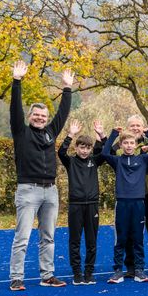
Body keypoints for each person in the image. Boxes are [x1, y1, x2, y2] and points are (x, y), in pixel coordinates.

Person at [8, 61, 73, 291]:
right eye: (36, 115)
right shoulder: (21, 131)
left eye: (43, 116)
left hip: (51, 191)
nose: (40, 118)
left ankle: (47, 275)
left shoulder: (51, 132)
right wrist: (17, 82)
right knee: (22, 237)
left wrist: (67, 89)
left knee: (49, 237)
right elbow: (14, 109)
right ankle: (17, 278)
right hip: (28, 190)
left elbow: (63, 113)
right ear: (29, 116)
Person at [101, 124, 148, 283]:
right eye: (125, 143)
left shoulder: (142, 159)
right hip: (122, 203)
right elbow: (104, 152)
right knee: (121, 238)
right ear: (121, 146)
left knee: (138, 238)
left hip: (138, 204)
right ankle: (117, 271)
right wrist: (114, 133)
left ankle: (139, 270)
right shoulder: (117, 161)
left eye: (131, 143)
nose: (129, 146)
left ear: (136, 145)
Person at [58, 119, 105, 285]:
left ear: (91, 149)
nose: (85, 151)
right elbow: (61, 152)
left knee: (92, 241)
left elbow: (105, 152)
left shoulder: (94, 161)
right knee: (75, 240)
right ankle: (77, 273)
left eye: (88, 147)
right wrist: (70, 135)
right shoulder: (70, 161)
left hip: (92, 206)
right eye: (82, 147)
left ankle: (89, 272)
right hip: (76, 206)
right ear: (76, 148)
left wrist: (101, 134)